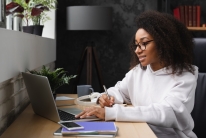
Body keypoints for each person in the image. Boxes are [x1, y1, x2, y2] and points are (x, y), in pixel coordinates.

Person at [75, 10, 198, 138]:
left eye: (144, 44)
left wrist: (112, 112)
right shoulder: (138, 71)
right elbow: (120, 91)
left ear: (164, 42)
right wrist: (107, 97)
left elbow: (164, 112)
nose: (137, 51)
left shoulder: (185, 78)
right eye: (136, 45)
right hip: (140, 133)